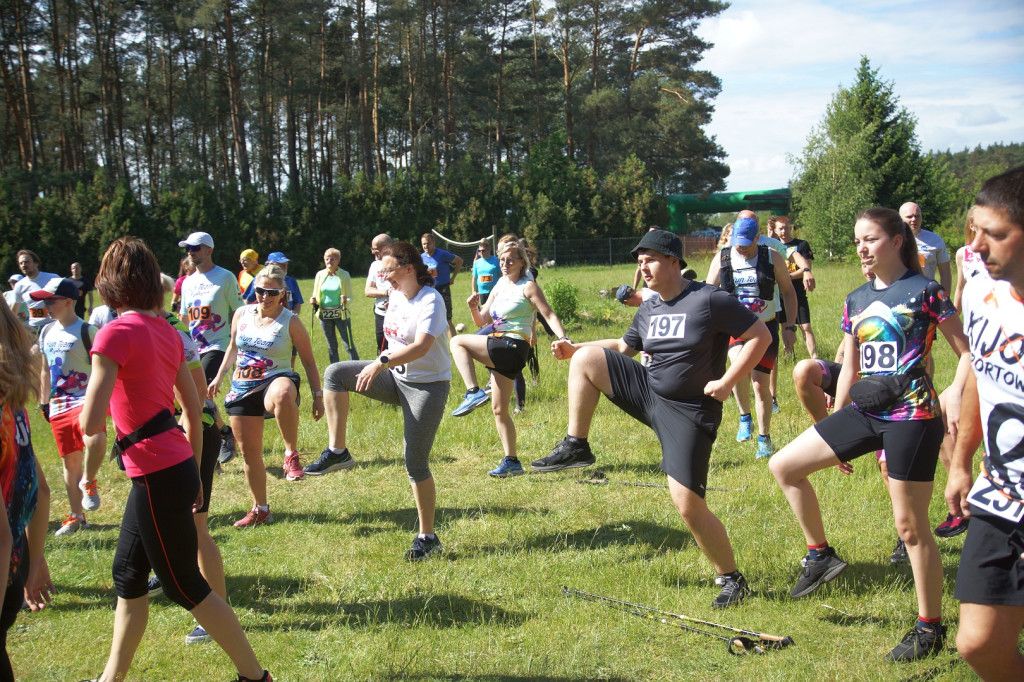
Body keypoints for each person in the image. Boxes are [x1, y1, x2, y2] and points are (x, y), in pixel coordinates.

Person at [768, 207, 972, 663]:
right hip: (864, 411)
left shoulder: (926, 291)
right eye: (858, 240)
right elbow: (850, 367)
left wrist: (956, 393)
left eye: (871, 239)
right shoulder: (856, 299)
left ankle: (930, 627)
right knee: (784, 465)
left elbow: (966, 352)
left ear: (896, 241)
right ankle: (820, 555)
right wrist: (835, 424)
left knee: (910, 527)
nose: (862, 248)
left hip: (912, 416)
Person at [534, 230, 771, 608]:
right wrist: (574, 348)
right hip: (649, 393)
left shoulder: (709, 299)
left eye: (650, 260)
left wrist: (728, 381)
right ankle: (577, 445)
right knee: (586, 358)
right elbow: (622, 348)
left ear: (674, 261)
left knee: (687, 503)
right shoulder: (649, 307)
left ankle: (731, 578)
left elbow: (760, 336)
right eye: (640, 262)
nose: (643, 268)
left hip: (690, 410)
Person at [79, 236, 270, 682]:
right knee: (128, 574)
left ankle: (255, 676)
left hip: (156, 471)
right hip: (176, 464)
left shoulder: (114, 333)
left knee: (184, 584)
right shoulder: (168, 331)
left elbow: (89, 421)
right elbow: (195, 407)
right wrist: (197, 475)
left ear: (110, 283)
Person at [306, 241, 450, 561]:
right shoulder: (395, 294)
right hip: (395, 377)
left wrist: (380, 361)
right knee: (336, 374)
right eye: (382, 272)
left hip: (426, 387)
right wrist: (383, 363)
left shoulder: (431, 300)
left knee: (415, 463)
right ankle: (338, 452)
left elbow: (422, 346)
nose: (383, 278)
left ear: (409, 269)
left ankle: (428, 537)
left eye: (388, 271)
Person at [944, 166, 1024, 681]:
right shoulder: (978, 290)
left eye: (993, 234)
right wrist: (961, 462)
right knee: (977, 643)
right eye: (974, 230)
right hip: (1002, 493)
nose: (975, 246)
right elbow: (979, 370)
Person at [209, 265, 324, 525]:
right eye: (261, 290)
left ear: (282, 293)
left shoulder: (290, 321)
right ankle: (260, 509)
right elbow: (232, 347)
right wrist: (218, 377)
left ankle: (290, 454)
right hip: (242, 386)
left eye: (272, 292)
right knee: (250, 453)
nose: (265, 296)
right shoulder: (242, 314)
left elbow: (308, 361)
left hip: (275, 378)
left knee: (283, 392)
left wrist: (318, 395)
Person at [450, 239, 569, 477]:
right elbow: (482, 320)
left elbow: (548, 313)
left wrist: (564, 337)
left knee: (457, 342)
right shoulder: (499, 285)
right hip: (502, 347)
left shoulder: (528, 286)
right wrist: (473, 307)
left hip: (513, 345)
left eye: (510, 260)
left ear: (522, 262)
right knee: (499, 410)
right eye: (502, 260)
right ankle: (512, 461)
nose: (505, 264)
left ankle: (473, 392)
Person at [706, 213, 798, 458]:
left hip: (766, 328)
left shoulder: (772, 257)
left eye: (747, 244)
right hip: (736, 327)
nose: (742, 249)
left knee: (760, 385)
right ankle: (744, 416)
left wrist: (789, 327)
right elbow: (708, 292)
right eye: (738, 244)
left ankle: (764, 438)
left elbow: (788, 292)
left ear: (758, 237)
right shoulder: (723, 258)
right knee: (738, 365)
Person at [0, 300, 54, 679]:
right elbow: (41, 490)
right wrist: (34, 562)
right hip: (15, 569)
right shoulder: (13, 407)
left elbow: (0, 535)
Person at [31, 278, 106, 536]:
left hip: (86, 399)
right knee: (69, 462)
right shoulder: (46, 331)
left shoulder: (88, 331)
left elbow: (102, 367)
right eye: (44, 301)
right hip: (58, 404)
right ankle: (76, 516)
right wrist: (44, 402)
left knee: (95, 438)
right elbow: (44, 370)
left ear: (68, 301)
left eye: (51, 300)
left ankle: (90, 480)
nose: (46, 306)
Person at [178, 231, 240, 464]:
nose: (190, 253)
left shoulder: (225, 277)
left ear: (209, 250)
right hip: (193, 349)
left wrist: (238, 343)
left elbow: (238, 311)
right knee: (200, 400)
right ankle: (223, 433)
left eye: (195, 248)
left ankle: (191, 449)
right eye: (188, 249)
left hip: (219, 345)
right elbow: (184, 318)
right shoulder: (187, 282)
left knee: (196, 396)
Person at [768, 216, 817, 359]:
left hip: (797, 291)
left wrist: (785, 277)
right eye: (780, 228)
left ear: (791, 227)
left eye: (787, 228)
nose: (784, 231)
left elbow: (806, 268)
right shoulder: (773, 246)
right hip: (779, 293)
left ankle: (815, 358)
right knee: (784, 326)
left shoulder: (801, 245)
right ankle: (789, 356)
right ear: (775, 230)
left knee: (805, 326)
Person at [311, 248, 358, 364]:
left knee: (348, 343)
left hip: (341, 313)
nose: (329, 261)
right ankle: (334, 369)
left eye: (332, 259)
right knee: (331, 345)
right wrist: (313, 301)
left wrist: (345, 300)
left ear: (338, 260)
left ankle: (356, 366)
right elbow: (315, 293)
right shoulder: (320, 274)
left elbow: (350, 296)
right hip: (324, 314)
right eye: (327, 259)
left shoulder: (344, 275)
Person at [900, 202, 952, 292]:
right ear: (900, 218)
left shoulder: (935, 240)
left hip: (926, 293)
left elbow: (945, 274)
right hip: (900, 292)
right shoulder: (892, 240)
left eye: (917, 216)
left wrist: (945, 297)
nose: (914, 219)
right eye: (909, 217)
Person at [421, 232, 463, 336]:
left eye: (428, 243)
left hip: (443, 289)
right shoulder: (421, 258)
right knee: (430, 318)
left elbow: (459, 261)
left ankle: (454, 344)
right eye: (424, 244)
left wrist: (453, 278)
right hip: (428, 291)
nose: (426, 246)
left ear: (433, 243)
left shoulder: (442, 254)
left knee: (447, 319)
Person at [12, 250, 59, 338]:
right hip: (35, 329)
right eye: (21, 263)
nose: (23, 265)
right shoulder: (19, 285)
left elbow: (68, 298)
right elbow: (14, 310)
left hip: (55, 325)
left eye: (26, 262)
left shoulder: (53, 278)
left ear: (36, 263)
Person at [951, 208, 989, 311]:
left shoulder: (1002, 251)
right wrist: (955, 315)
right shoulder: (963, 253)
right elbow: (960, 287)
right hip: (974, 311)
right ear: (972, 225)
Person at [366, 234, 394, 353]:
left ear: (387, 247)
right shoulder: (374, 265)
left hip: (398, 313)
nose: (373, 252)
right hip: (380, 313)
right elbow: (368, 291)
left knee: (398, 345)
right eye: (372, 249)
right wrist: (386, 292)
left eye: (375, 249)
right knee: (382, 348)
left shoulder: (400, 262)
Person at [471, 239, 500, 304]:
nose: (481, 252)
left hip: (494, 291)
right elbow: (474, 278)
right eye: (479, 251)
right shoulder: (476, 263)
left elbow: (501, 275)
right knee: (483, 309)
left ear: (489, 249)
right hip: (482, 292)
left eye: (483, 250)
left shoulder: (496, 260)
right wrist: (474, 291)